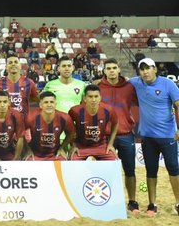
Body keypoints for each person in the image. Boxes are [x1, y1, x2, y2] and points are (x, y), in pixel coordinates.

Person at [129, 58, 179, 216]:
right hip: (148, 137)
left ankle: (178, 203)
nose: (145, 72)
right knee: (151, 171)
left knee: (174, 170)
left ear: (155, 69)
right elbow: (118, 80)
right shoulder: (136, 83)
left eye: (148, 68)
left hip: (168, 136)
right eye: (142, 69)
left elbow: (178, 106)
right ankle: (152, 204)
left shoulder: (168, 84)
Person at [98, 58, 139, 213]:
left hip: (125, 134)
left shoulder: (130, 87)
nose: (112, 70)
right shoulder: (98, 87)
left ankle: (132, 202)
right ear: (104, 70)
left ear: (119, 69)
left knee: (130, 170)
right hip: (105, 136)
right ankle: (106, 201)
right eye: (108, 68)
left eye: (114, 67)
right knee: (105, 170)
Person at [68, 84, 118, 161]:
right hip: (81, 146)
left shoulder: (108, 110)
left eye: (96, 96)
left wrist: (110, 144)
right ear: (85, 98)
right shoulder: (75, 111)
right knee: (73, 162)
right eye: (90, 97)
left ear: (100, 98)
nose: (93, 100)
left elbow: (116, 124)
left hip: (101, 146)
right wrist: (73, 145)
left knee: (113, 160)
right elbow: (67, 128)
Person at [25, 91, 75, 160]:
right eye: (46, 102)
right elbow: (20, 134)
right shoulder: (31, 117)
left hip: (55, 153)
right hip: (35, 154)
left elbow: (71, 133)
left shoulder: (64, 118)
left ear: (55, 104)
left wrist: (62, 147)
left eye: (51, 102)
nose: (49, 105)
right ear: (40, 105)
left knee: (63, 163)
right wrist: (27, 150)